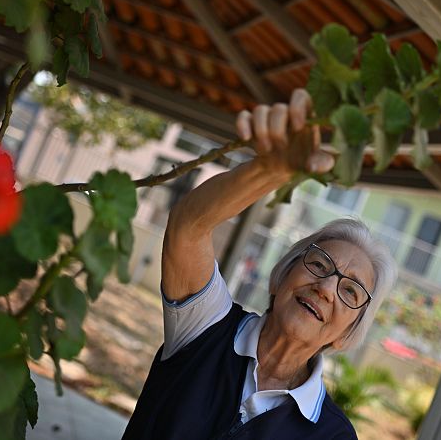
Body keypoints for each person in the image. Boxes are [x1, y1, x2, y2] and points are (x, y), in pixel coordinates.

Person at [122, 89, 397, 439]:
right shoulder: (206, 326)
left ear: (348, 333)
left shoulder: (333, 436)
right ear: (281, 276)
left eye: (350, 291)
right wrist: (270, 170)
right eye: (319, 264)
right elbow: (188, 227)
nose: (326, 288)